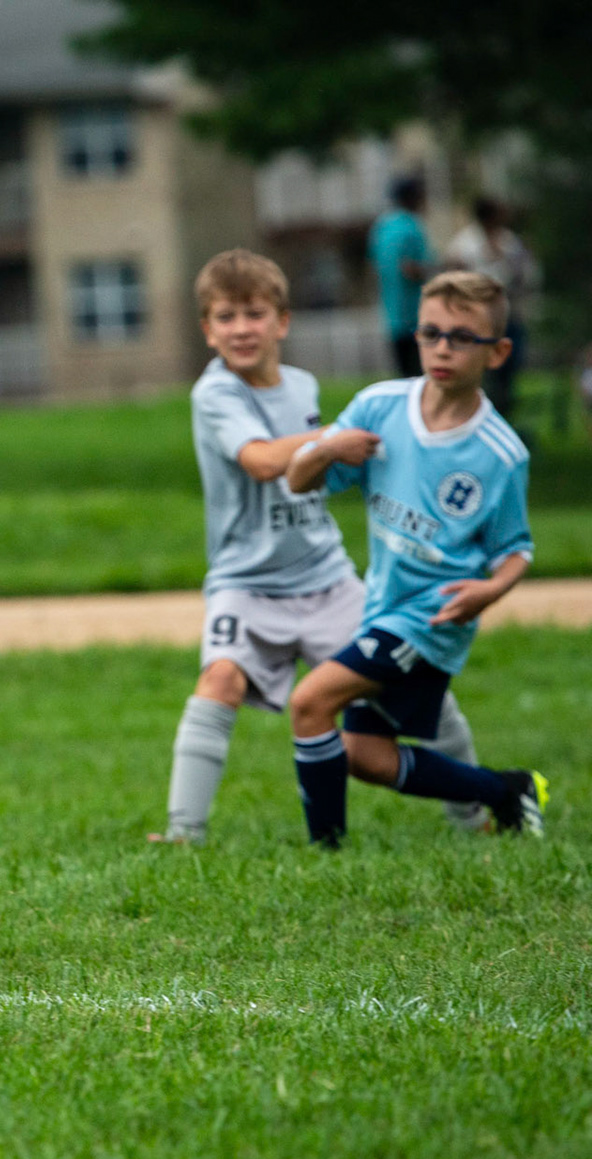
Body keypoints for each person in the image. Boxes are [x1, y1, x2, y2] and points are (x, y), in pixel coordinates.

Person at [155, 250, 482, 844]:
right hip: (245, 584)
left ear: (283, 321)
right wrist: (336, 438)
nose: (241, 329)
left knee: (415, 680)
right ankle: (182, 833)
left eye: (254, 313)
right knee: (220, 680)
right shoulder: (214, 394)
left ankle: (476, 812)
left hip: (327, 578)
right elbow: (260, 462)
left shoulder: (302, 384)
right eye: (225, 317)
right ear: (207, 331)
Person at [285, 270, 545, 846]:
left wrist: (488, 591)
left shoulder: (500, 454)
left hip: (432, 619)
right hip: (383, 605)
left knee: (309, 702)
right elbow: (298, 480)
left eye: (460, 337)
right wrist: (327, 447)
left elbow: (516, 550)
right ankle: (505, 791)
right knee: (365, 757)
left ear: (497, 352)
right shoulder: (380, 406)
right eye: (430, 333)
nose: (443, 348)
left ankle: (325, 851)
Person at [445, 197, 537, 419]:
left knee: (508, 370)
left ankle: (504, 416)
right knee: (482, 372)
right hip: (478, 320)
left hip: (509, 316)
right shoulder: (464, 244)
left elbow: (526, 274)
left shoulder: (509, 241)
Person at [370, 177, 432, 379]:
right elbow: (410, 269)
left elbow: (375, 265)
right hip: (416, 314)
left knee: (404, 377)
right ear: (413, 197)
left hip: (392, 314)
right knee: (422, 377)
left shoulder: (381, 226)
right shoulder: (411, 226)